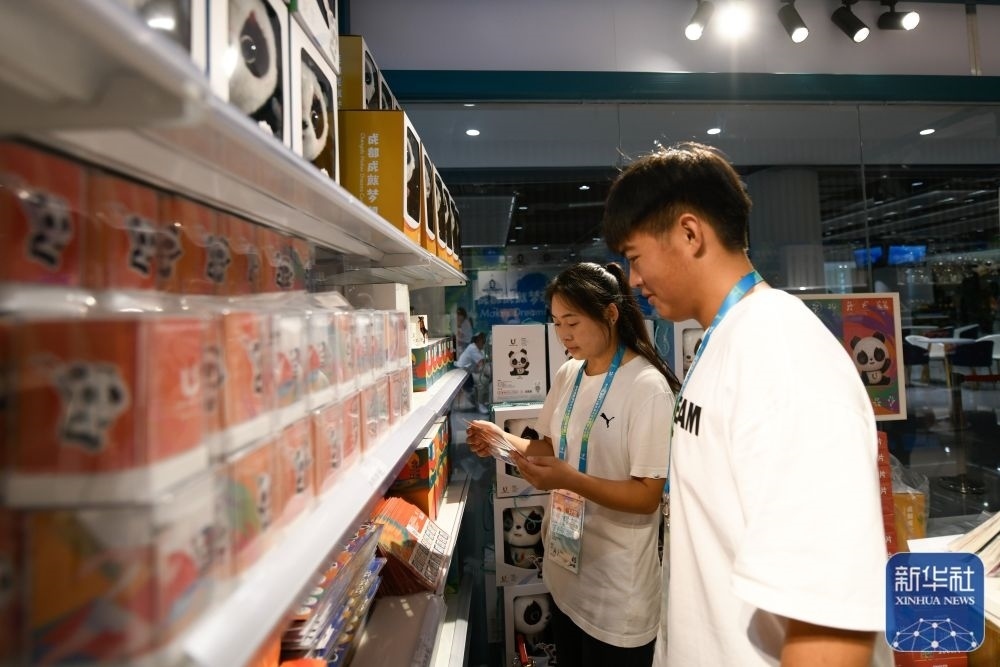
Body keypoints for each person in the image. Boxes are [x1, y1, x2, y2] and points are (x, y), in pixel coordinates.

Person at [601, 141, 889, 667]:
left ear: (690, 234)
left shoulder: (782, 352)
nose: (633, 280)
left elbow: (829, 622)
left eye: (635, 257)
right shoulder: (729, 339)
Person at [466, 262, 680, 666]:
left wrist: (573, 480)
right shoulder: (569, 373)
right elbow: (551, 447)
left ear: (610, 314)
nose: (563, 334)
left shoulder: (647, 388)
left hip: (616, 597)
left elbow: (647, 497)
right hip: (566, 577)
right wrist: (500, 440)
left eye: (573, 322)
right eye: (556, 322)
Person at [455, 330, 489, 413]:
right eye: (482, 340)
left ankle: (479, 403)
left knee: (483, 381)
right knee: (481, 384)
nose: (484, 342)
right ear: (478, 340)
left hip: (468, 372)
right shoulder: (472, 348)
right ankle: (480, 404)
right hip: (462, 373)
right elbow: (481, 363)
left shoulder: (479, 349)